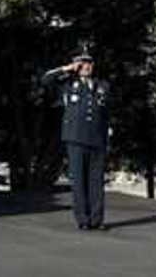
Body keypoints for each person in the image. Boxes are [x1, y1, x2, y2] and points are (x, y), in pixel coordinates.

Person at [42, 50, 109, 231]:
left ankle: (97, 219)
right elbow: (46, 80)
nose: (86, 66)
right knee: (79, 181)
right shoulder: (66, 85)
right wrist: (67, 68)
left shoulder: (102, 86)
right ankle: (83, 220)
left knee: (96, 182)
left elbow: (106, 115)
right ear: (76, 66)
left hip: (97, 140)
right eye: (82, 63)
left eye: (89, 63)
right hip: (76, 139)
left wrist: (107, 139)